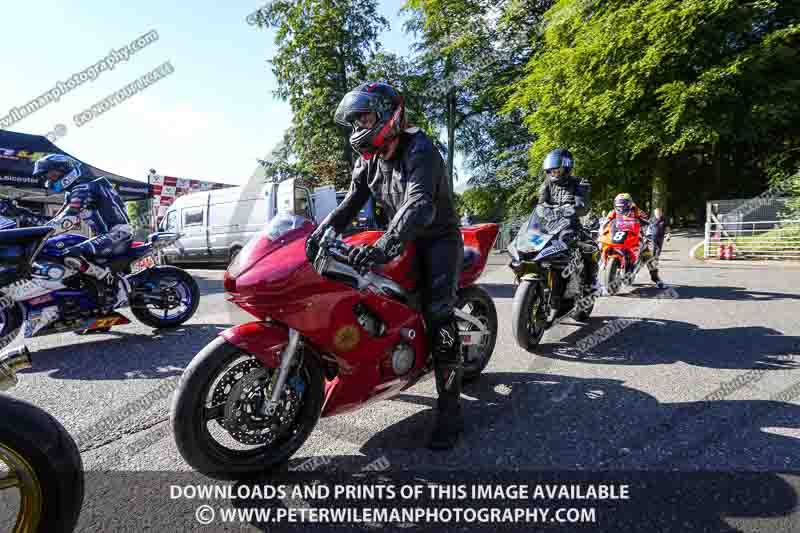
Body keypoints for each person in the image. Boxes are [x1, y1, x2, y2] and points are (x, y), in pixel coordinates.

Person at [305, 82, 464, 450]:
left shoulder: (421, 149)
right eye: (356, 120)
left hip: (436, 238)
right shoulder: (370, 160)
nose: (359, 126)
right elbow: (350, 203)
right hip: (396, 234)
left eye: (365, 117)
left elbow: (419, 203)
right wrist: (320, 233)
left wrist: (385, 245)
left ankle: (451, 410)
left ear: (389, 115)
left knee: (439, 312)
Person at [31, 154, 133, 310]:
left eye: (51, 174)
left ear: (65, 171)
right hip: (104, 237)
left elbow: (69, 218)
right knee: (63, 252)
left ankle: (117, 286)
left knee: (71, 253)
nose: (49, 179)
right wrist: (23, 213)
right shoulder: (73, 192)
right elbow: (55, 219)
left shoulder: (85, 187)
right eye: (47, 176)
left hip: (118, 233)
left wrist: (42, 233)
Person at [537, 147, 599, 322]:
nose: (554, 173)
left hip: (571, 228)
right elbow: (540, 206)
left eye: (557, 169)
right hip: (549, 229)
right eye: (551, 170)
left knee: (589, 250)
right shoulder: (546, 184)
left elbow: (583, 206)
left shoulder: (580, 183)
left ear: (567, 168)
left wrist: (568, 209)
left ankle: (589, 287)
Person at [601, 193, 664, 288]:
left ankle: (656, 279)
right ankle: (604, 262)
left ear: (629, 203)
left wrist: (648, 228)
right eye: (618, 204)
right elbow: (606, 221)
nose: (621, 207)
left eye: (623, 204)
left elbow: (647, 220)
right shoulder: (613, 212)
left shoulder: (636, 210)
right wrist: (602, 226)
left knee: (648, 256)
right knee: (604, 243)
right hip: (618, 235)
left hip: (635, 235)